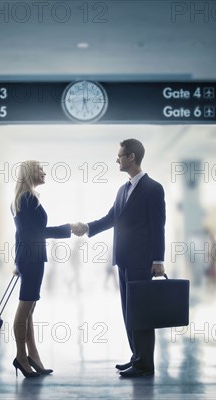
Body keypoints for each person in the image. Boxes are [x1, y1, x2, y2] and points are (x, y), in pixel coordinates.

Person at [74, 138, 166, 378]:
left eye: (120, 155)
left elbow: (158, 227)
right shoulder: (123, 189)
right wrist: (87, 227)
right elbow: (111, 217)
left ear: (131, 157)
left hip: (143, 261)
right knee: (128, 311)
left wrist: (158, 259)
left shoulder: (153, 188)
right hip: (123, 260)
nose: (117, 159)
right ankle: (137, 357)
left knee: (142, 312)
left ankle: (145, 364)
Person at [11, 161, 72, 378]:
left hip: (29, 258)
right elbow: (36, 232)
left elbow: (21, 234)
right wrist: (69, 228)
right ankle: (21, 356)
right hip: (32, 258)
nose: (45, 172)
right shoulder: (27, 199)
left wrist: (17, 261)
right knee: (24, 309)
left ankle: (33, 355)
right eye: (40, 169)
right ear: (29, 173)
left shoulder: (24, 198)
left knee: (29, 310)